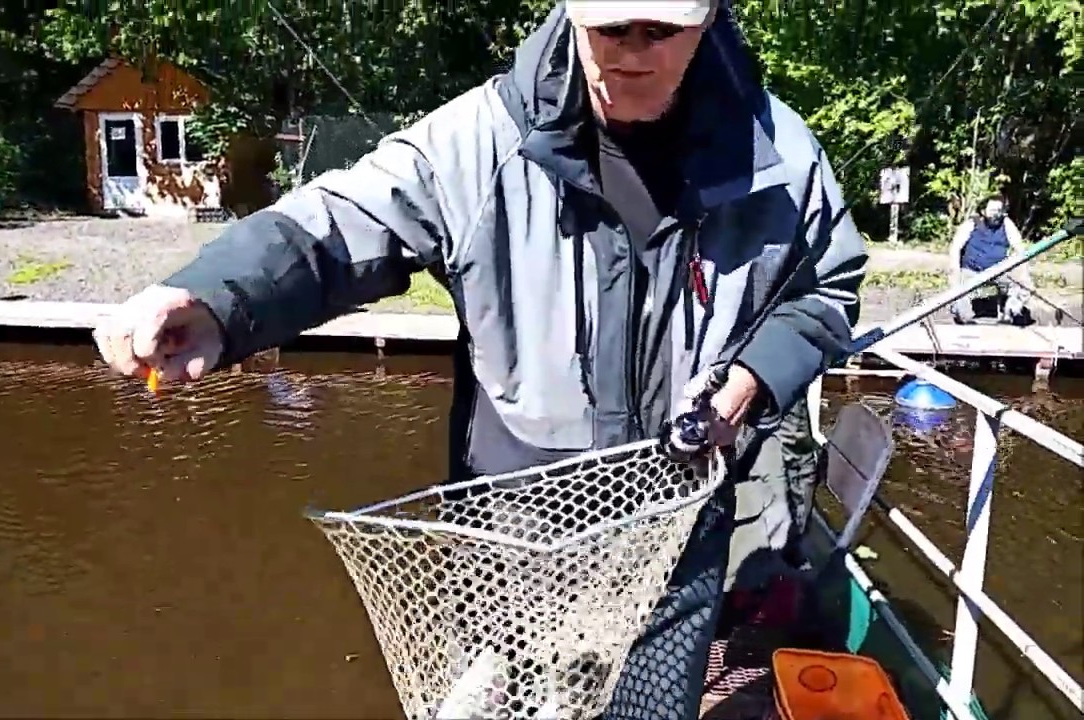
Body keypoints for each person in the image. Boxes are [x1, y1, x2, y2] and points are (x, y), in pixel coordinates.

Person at [93, 1, 867, 717]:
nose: (632, 54)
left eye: (659, 31)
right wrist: (213, 297)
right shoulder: (479, 140)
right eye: (609, 29)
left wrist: (747, 384)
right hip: (513, 545)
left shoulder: (779, 155)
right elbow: (332, 227)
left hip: (680, 532)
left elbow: (828, 289)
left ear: (705, 21)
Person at [949, 194, 1033, 325]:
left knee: (1024, 282)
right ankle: (960, 311)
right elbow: (955, 248)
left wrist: (1022, 273)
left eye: (999, 210)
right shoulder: (971, 223)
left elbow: (1020, 250)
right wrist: (955, 273)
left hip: (998, 270)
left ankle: (1011, 310)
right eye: (993, 210)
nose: (996, 214)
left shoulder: (1006, 224)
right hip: (971, 270)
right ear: (983, 211)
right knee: (960, 299)